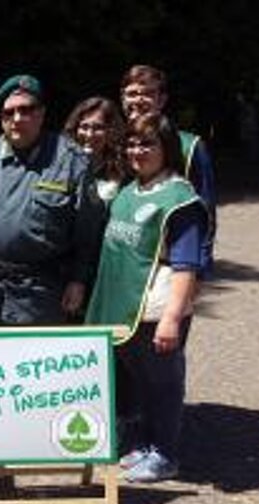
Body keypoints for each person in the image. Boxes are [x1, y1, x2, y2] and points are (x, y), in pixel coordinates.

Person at [85, 112, 209, 483]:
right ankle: (145, 444)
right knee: (140, 384)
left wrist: (172, 318)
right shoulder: (129, 191)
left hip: (155, 310)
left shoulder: (180, 199)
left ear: (166, 148)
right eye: (131, 143)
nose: (137, 151)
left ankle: (166, 454)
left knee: (163, 386)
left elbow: (186, 265)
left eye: (147, 143)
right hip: (123, 309)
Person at [0, 74, 106, 325]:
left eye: (26, 110)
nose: (17, 118)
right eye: (9, 112)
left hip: (45, 290)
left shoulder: (71, 160)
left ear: (41, 113)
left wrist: (79, 281)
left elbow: (88, 232)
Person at [121, 65, 216, 277]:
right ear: (122, 99)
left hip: (165, 266)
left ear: (162, 100)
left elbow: (206, 212)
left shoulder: (190, 146)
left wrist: (199, 273)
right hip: (119, 259)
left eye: (148, 93)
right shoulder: (115, 142)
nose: (138, 100)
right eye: (132, 94)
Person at [63, 96, 128, 204]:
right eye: (84, 127)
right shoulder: (59, 167)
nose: (89, 134)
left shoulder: (123, 171)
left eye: (98, 128)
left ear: (111, 131)